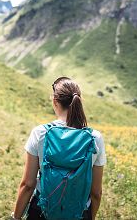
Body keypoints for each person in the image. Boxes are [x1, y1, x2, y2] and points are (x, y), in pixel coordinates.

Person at [12, 77, 106, 220]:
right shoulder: (95, 138)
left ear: (55, 101)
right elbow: (96, 193)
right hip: (79, 213)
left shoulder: (40, 133)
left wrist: (16, 217)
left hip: (43, 211)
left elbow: (28, 184)